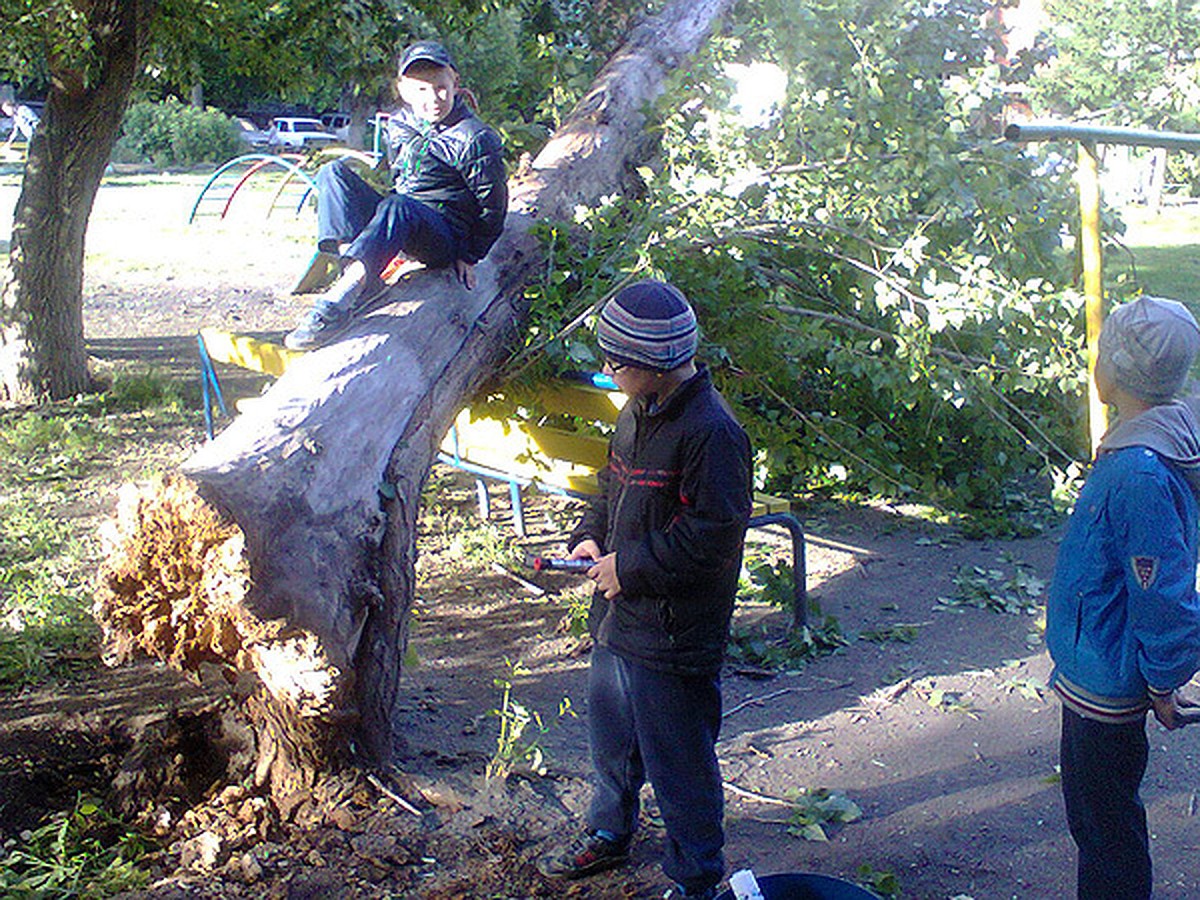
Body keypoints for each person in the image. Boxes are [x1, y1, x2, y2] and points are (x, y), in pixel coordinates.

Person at [539, 280, 753, 900]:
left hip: (675, 631)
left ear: (650, 364)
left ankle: (695, 878)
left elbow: (714, 535)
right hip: (620, 620)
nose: (606, 370)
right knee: (613, 739)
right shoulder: (636, 412)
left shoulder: (713, 433)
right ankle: (609, 831)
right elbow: (613, 490)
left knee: (679, 760)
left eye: (614, 362)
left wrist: (628, 567)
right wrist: (589, 537)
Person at [1046, 295, 1200, 900]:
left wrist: (1163, 680)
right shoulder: (1158, 439)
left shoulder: (1138, 469)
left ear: (1116, 372)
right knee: (1097, 819)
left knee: (1103, 825)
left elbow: (1161, 590)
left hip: (1106, 677)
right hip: (1097, 659)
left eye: (1102, 349)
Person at [284, 40, 507, 351]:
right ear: (403, 90)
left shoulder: (475, 137)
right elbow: (400, 177)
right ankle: (357, 280)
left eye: (441, 87)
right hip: (401, 219)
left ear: (455, 82)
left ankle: (336, 305)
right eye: (422, 90)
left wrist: (471, 254)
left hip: (443, 235)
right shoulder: (400, 123)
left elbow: (493, 207)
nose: (433, 99)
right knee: (332, 173)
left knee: (399, 206)